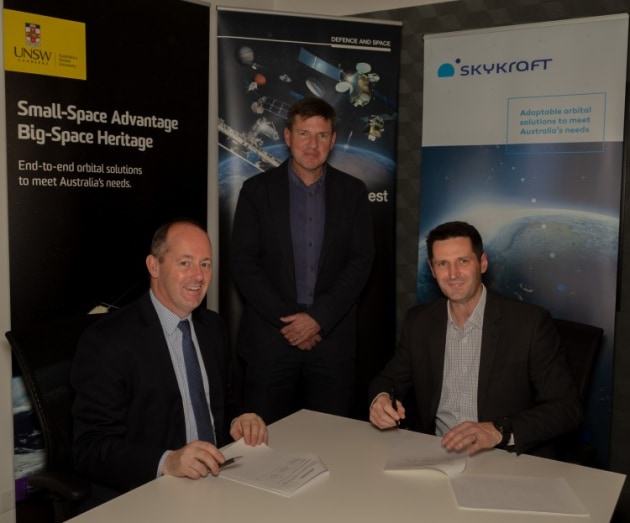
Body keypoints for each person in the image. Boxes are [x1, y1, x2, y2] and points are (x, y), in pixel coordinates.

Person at [71, 219, 267, 505]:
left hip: (218, 481)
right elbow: (89, 448)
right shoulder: (108, 341)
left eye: (205, 264)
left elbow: (222, 401)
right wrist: (168, 461)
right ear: (154, 266)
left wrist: (240, 419)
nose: (198, 276)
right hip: (147, 493)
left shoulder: (213, 327)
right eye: (185, 263)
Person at [369, 221, 582, 458]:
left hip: (503, 455)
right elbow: (388, 380)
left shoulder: (529, 324)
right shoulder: (419, 322)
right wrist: (381, 400)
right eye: (442, 264)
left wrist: (499, 430)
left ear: (482, 263)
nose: (452, 275)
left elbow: (566, 408)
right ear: (432, 269)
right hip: (438, 454)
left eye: (463, 261)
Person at [231, 97, 375, 424]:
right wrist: (293, 320)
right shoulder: (256, 191)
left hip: (332, 340)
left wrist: (318, 318)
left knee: (331, 444)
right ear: (287, 136)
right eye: (304, 134)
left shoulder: (353, 192)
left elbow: (361, 261)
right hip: (271, 340)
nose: (312, 144)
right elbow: (244, 263)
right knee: (261, 446)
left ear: (333, 140)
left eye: (322, 135)